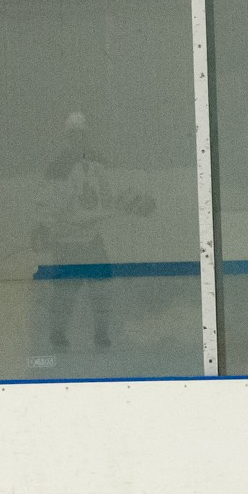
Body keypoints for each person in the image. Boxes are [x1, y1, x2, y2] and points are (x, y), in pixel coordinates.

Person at [34, 111, 154, 357]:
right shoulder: (59, 168)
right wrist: (44, 227)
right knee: (65, 290)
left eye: (82, 135)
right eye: (73, 135)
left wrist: (137, 202)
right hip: (67, 242)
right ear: (67, 138)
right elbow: (47, 202)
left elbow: (113, 194)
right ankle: (57, 333)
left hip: (91, 240)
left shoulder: (97, 163)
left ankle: (101, 332)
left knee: (101, 287)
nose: (78, 140)